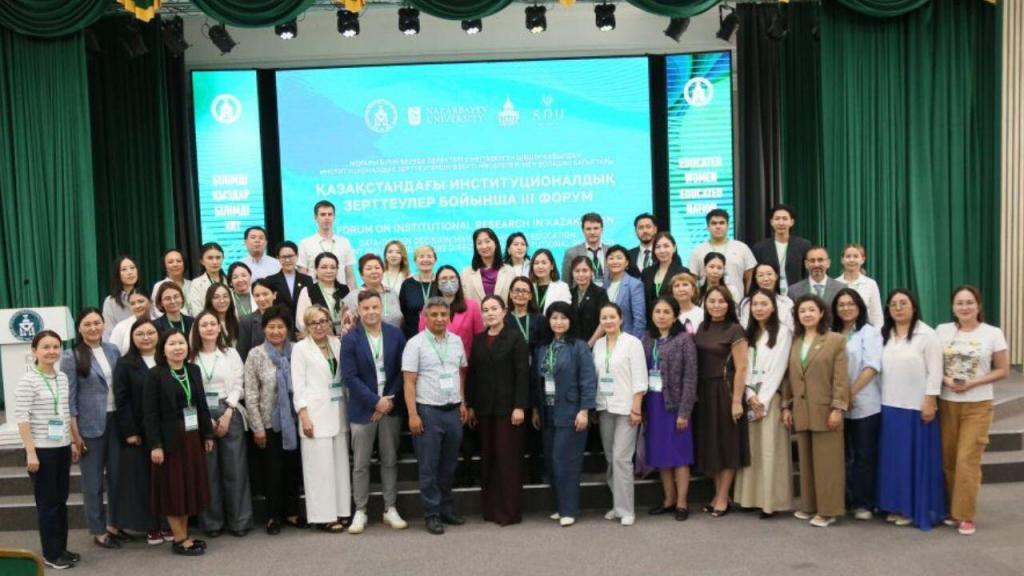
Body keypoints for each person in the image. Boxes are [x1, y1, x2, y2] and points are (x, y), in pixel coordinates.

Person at [937, 285, 1009, 536]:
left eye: (969, 302)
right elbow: (933, 364)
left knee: (967, 460)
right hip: (947, 403)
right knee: (949, 459)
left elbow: (1003, 369)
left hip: (978, 405)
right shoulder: (942, 331)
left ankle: (965, 515)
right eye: (959, 303)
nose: (964, 307)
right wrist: (946, 380)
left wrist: (973, 383)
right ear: (952, 306)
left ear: (978, 305)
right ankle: (952, 509)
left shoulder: (992, 333)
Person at [877, 289, 946, 530]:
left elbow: (936, 371)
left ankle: (912, 508)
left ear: (913, 307)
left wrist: (930, 400)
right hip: (889, 406)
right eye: (893, 304)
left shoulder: (927, 335)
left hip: (916, 408)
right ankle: (895, 505)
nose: (898, 308)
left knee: (913, 462)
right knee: (894, 461)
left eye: (903, 303)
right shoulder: (885, 334)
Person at [341, 292, 410, 534]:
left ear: (382, 308)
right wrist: (375, 402)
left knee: (389, 460)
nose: (371, 312)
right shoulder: (351, 339)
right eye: (366, 308)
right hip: (363, 410)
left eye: (375, 307)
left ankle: (390, 508)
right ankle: (360, 510)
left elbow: (403, 370)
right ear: (358, 310)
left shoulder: (395, 334)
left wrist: (387, 401)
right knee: (360, 464)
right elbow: (349, 377)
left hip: (390, 407)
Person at [60, 308, 128, 549]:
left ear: (103, 324)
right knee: (93, 482)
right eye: (87, 324)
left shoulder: (113, 350)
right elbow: (69, 399)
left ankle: (114, 525)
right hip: (89, 427)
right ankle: (98, 530)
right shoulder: (71, 356)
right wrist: (74, 434)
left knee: (117, 478)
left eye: (97, 323)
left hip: (116, 421)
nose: (93, 328)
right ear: (79, 328)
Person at [403, 298, 470, 535]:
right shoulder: (415, 344)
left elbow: (459, 374)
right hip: (428, 411)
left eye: (443, 314)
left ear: (449, 316)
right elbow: (409, 382)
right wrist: (413, 414)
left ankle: (446, 509)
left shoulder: (456, 341)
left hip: (452, 411)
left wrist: (463, 402)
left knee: (448, 465)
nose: (440, 319)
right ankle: (431, 514)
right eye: (434, 315)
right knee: (429, 467)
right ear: (425, 317)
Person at [781, 294, 849, 527]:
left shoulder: (835, 340)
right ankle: (809, 506)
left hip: (825, 409)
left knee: (827, 463)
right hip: (801, 409)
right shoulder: (796, 341)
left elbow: (840, 378)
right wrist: (786, 406)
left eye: (811, 310)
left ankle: (828, 511)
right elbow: (790, 377)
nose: (807, 314)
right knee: (807, 461)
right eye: (802, 311)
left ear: (821, 313)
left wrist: (838, 408)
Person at [145, 330, 214, 556]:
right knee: (173, 488)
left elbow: (201, 404)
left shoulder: (193, 370)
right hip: (169, 440)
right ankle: (180, 538)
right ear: (163, 349)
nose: (177, 348)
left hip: (193, 436)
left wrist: (207, 435)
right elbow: (150, 414)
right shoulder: (155, 374)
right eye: (172, 344)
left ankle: (182, 535)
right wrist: (156, 445)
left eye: (181, 343)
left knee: (187, 487)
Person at [16, 330, 80, 570]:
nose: (52, 351)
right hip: (41, 451)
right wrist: (30, 451)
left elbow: (64, 412)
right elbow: (22, 418)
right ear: (34, 351)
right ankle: (51, 554)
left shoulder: (61, 377)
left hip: (61, 447)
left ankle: (61, 548)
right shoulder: (28, 380)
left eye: (55, 347)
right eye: (46, 347)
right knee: (48, 504)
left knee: (60, 501)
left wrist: (71, 442)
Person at [532, 301, 597, 527]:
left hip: (571, 411)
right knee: (552, 461)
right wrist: (536, 409)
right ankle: (560, 506)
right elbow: (537, 382)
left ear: (571, 321)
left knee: (565, 461)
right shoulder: (543, 347)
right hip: (547, 411)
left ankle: (569, 509)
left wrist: (584, 410)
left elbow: (588, 380)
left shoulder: (579, 346)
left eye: (563, 318)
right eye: (554, 318)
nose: (558, 322)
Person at [466, 296, 530, 525]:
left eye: (494, 309)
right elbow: (473, 375)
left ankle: (509, 512)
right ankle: (491, 510)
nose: (490, 313)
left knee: (507, 461)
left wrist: (519, 406)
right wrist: (470, 405)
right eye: (485, 310)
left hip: (508, 410)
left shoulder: (515, 338)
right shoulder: (478, 339)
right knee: (489, 460)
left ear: (504, 312)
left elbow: (523, 375)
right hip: (484, 410)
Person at [243, 305, 304, 535]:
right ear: (264, 329)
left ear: (288, 329)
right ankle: (273, 516)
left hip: (296, 422)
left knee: (292, 469)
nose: (276, 331)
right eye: (271, 327)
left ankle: (292, 512)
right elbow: (251, 394)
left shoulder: (297, 351)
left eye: (281, 326)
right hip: (269, 424)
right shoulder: (255, 354)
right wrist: (257, 427)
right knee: (272, 471)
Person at [190, 311, 252, 537]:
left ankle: (240, 521)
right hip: (200, 414)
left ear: (219, 328)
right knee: (208, 472)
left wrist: (228, 412)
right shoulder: (190, 356)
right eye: (204, 324)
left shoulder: (230, 353)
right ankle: (212, 523)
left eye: (212, 324)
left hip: (229, 408)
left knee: (235, 468)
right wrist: (205, 418)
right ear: (197, 330)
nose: (209, 328)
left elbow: (239, 384)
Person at [734, 289, 793, 518]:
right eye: (755, 304)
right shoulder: (747, 333)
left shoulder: (783, 333)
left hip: (771, 398)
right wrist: (749, 395)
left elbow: (779, 368)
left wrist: (763, 401)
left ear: (773, 307)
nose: (759, 308)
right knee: (752, 449)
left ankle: (770, 503)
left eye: (764, 304)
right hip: (751, 397)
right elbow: (743, 366)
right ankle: (750, 499)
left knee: (770, 450)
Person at [292, 305, 351, 533]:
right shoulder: (300, 349)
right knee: (319, 470)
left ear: (329, 322)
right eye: (313, 323)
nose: (319, 326)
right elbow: (298, 385)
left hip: (338, 411)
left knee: (340, 467)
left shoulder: (337, 344)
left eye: (323, 321)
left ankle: (342, 511)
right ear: (306, 326)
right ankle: (323, 516)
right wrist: (304, 415)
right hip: (314, 415)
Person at [693, 285, 750, 517]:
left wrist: (736, 400)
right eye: (712, 301)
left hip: (725, 390)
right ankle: (718, 494)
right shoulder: (702, 327)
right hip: (704, 391)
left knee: (727, 445)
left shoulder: (735, 330)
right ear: (705, 304)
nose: (716, 305)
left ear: (729, 305)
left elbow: (742, 367)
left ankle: (723, 497)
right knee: (712, 445)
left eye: (721, 301)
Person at [642, 297, 697, 521]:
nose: (661, 316)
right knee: (660, 454)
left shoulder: (683, 340)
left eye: (666, 312)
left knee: (680, 456)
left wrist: (684, 412)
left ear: (675, 316)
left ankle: (682, 503)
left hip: (675, 406)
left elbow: (690, 378)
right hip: (653, 404)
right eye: (658, 311)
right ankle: (669, 499)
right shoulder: (647, 338)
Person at [593, 303, 647, 526]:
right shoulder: (598, 345)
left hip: (627, 409)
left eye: (612, 317)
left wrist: (637, 408)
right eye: (604, 317)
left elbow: (640, 378)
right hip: (604, 407)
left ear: (621, 319)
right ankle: (617, 505)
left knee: (621, 459)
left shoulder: (632, 343)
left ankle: (626, 510)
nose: (608, 321)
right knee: (610, 458)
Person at [112, 319, 166, 544]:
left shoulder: (167, 358)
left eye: (150, 332)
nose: (146, 337)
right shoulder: (125, 364)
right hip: (140, 432)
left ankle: (169, 523)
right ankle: (150, 526)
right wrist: (130, 431)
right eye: (140, 334)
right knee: (145, 480)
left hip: (167, 429)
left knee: (167, 479)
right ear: (132, 338)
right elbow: (122, 399)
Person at [832, 287, 883, 520]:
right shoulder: (832, 333)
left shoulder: (869, 332)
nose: (846, 308)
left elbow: (872, 366)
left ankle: (864, 503)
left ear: (860, 307)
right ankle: (846, 499)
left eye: (850, 304)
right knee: (843, 455)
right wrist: (840, 399)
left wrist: (849, 394)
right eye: (841, 304)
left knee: (864, 455)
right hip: (839, 405)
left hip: (865, 403)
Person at [688, 209, 757, 301]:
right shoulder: (697, 251)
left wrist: (747, 300)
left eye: (721, 223)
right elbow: (692, 280)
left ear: (727, 226)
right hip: (706, 303)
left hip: (736, 301)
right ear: (708, 227)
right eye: (714, 223)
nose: (718, 226)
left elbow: (750, 278)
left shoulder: (742, 248)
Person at [418, 265, 484, 358]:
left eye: (452, 278)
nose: (448, 281)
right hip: (436, 361)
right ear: (437, 283)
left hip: (466, 361)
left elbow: (479, 337)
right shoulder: (428, 307)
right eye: (444, 278)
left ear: (458, 281)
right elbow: (423, 337)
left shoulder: (472, 306)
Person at [751, 204, 812, 296]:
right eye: (777, 219)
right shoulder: (760, 247)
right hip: (769, 294)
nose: (781, 223)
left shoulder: (803, 245)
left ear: (792, 222)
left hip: (797, 294)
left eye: (785, 219)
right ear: (771, 222)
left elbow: (807, 272)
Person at [297, 200, 356, 289]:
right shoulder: (305, 243)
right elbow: (302, 275)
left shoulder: (344, 242)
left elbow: (350, 275)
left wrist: (353, 295)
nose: (327, 218)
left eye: (330, 214)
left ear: (334, 217)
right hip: (315, 294)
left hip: (341, 293)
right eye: (323, 214)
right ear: (315, 217)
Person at [294, 252, 351, 335]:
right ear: (316, 270)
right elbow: (301, 321)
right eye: (324, 267)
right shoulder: (308, 291)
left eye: (333, 267)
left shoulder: (345, 289)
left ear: (337, 270)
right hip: (319, 338)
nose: (329, 271)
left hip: (345, 337)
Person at [342, 253, 403, 328]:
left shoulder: (392, 293)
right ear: (361, 274)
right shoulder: (353, 297)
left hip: (396, 335)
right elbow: (347, 329)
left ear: (383, 271)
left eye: (377, 268)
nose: (374, 271)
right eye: (369, 269)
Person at [264, 241, 314, 325]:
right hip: (280, 325)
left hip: (303, 325)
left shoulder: (307, 280)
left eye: (290, 256)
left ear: (297, 256)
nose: (287, 260)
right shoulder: (270, 280)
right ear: (278, 258)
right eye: (283, 257)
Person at [602, 245, 646, 339]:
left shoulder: (634, 285)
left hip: (627, 338)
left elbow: (639, 320)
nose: (615, 261)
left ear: (626, 263)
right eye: (611, 258)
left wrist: (634, 342)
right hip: (606, 338)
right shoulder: (604, 285)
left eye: (619, 258)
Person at [462, 227, 516, 302]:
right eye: (479, 243)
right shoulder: (466, 273)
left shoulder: (510, 271)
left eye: (487, 241)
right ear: (476, 247)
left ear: (495, 244)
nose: (484, 246)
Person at [836, 243, 884, 326]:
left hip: (865, 331)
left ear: (863, 260)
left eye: (855, 256)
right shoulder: (835, 284)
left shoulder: (871, 284)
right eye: (848, 256)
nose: (851, 260)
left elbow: (876, 316)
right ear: (842, 260)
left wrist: (876, 333)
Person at [641, 232, 688, 316]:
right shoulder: (646, 272)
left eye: (666, 246)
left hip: (674, 318)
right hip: (650, 320)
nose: (662, 250)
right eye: (658, 247)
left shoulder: (682, 272)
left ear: (674, 248)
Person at [738, 263, 794, 331]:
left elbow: (791, 328)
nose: (766, 279)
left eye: (769, 274)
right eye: (760, 275)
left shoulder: (786, 302)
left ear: (776, 276)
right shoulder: (747, 303)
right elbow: (745, 328)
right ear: (755, 279)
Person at [399, 245, 437, 339]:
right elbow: (403, 311)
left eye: (429, 256)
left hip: (438, 334)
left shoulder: (441, 281)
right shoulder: (407, 284)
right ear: (415, 261)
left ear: (435, 260)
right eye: (421, 256)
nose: (425, 259)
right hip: (412, 336)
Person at [570, 256, 609, 347]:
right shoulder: (569, 293)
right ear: (572, 273)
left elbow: (604, 321)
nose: (581, 274)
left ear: (591, 272)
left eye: (585, 270)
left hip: (596, 345)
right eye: (577, 271)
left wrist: (589, 345)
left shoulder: (600, 293)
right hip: (573, 345)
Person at [562, 212, 609, 288]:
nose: (592, 232)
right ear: (583, 230)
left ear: (602, 230)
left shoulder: (610, 251)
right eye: (588, 229)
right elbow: (566, 283)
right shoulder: (571, 253)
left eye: (596, 228)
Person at [237, 278, 278, 361]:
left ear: (274, 294)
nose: (261, 299)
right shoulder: (246, 321)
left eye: (265, 294)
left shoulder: (285, 317)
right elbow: (242, 352)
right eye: (257, 295)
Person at [102, 255, 141, 340]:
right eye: (124, 269)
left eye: (132, 268)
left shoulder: (146, 298)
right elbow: (108, 332)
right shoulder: (110, 302)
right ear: (117, 274)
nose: (130, 272)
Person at [109, 290, 154, 354]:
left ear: (150, 301)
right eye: (132, 304)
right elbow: (113, 353)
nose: (137, 306)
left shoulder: (160, 323)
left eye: (141, 301)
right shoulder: (121, 327)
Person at [188, 243, 227, 316]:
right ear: (202, 261)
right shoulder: (196, 283)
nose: (215, 262)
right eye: (210, 258)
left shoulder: (229, 281)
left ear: (223, 259)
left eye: (218, 257)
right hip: (207, 322)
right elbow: (197, 311)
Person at [529, 248, 572, 314]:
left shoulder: (562, 287)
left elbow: (565, 312)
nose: (540, 266)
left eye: (544, 263)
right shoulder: (528, 286)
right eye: (536, 263)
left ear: (552, 266)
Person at [627, 212, 659, 278]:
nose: (645, 231)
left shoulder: (663, 253)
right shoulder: (628, 255)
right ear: (636, 231)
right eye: (641, 228)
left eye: (648, 227)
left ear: (655, 230)